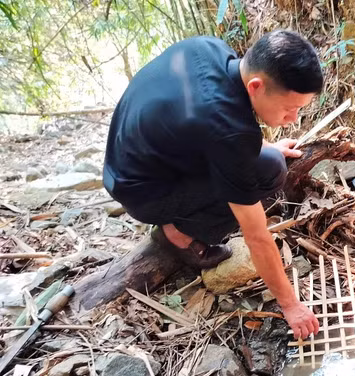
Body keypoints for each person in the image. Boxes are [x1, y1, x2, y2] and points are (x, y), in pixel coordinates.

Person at [103, 30, 321, 339]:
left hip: (126, 164)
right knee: (270, 172)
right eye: (289, 108)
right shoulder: (229, 132)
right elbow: (256, 236)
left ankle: (179, 216)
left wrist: (264, 147)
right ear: (256, 86)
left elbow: (202, 127)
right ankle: (181, 234)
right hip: (142, 193)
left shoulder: (209, 48)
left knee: (266, 158)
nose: (293, 118)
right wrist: (290, 305)